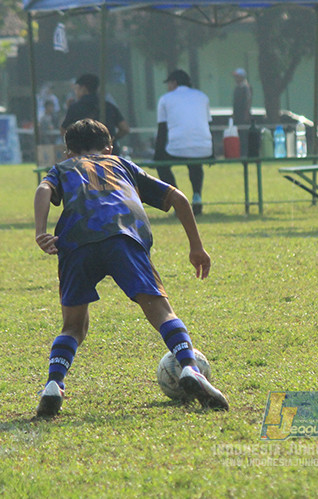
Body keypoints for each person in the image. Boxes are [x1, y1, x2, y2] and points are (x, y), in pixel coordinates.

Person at [33, 118, 228, 417]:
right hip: (124, 236)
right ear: (109, 148)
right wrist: (196, 247)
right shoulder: (121, 163)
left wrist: (40, 231)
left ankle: (54, 384)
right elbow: (177, 197)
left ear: (68, 152)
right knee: (160, 311)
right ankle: (189, 367)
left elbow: (43, 190)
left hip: (75, 242)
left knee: (73, 326)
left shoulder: (63, 168)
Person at [155, 69, 212, 216]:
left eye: (168, 83)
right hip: (204, 148)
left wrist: (157, 156)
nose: (167, 87)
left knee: (162, 166)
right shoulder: (203, 97)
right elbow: (206, 125)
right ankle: (197, 195)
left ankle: (178, 201)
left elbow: (162, 131)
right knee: (195, 160)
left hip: (177, 149)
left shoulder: (165, 99)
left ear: (174, 83)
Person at [60, 73, 130, 144]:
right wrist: (111, 140)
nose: (76, 92)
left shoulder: (75, 108)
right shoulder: (109, 106)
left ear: (84, 89)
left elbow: (63, 130)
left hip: (84, 152)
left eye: (77, 89)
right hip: (108, 152)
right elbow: (125, 129)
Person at [231, 68, 252, 156]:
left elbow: (248, 102)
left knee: (244, 136)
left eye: (238, 77)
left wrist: (246, 115)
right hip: (237, 116)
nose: (236, 79)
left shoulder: (246, 87)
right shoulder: (237, 88)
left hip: (243, 117)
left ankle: (245, 154)